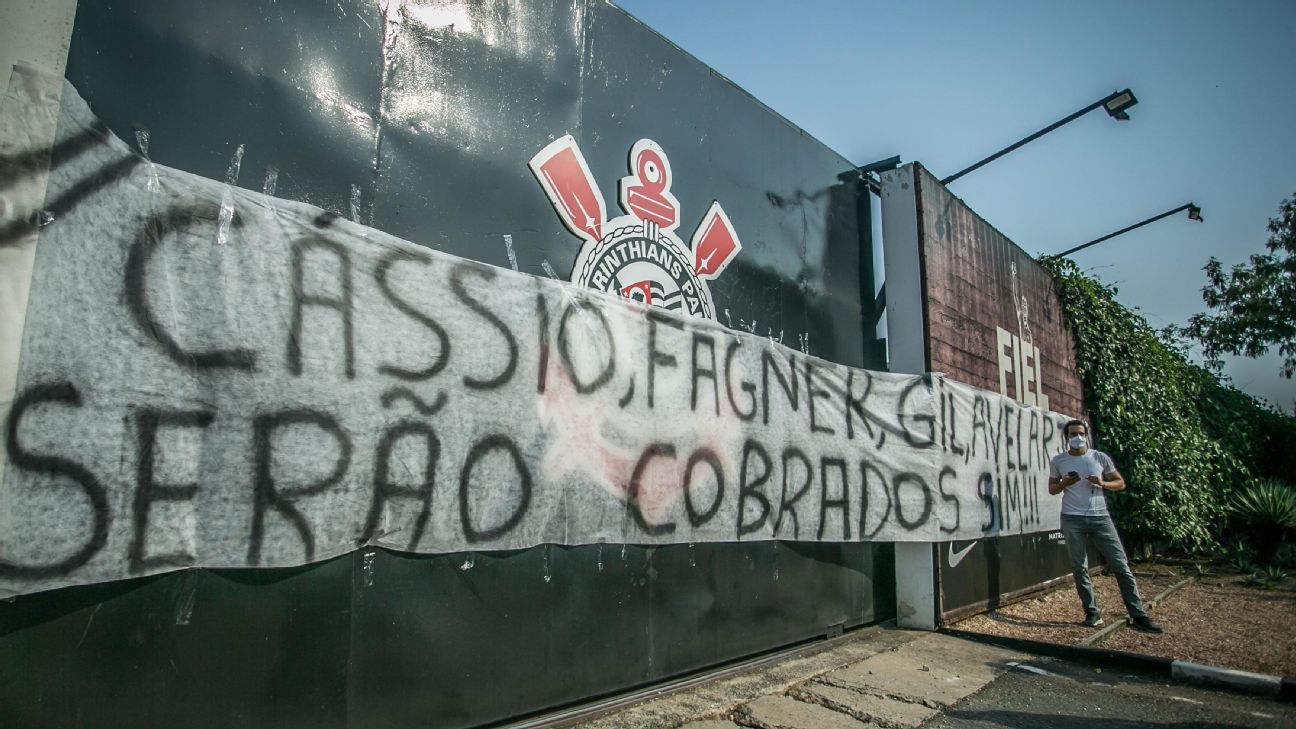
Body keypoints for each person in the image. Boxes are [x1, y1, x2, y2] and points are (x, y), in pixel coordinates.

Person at [1048, 420, 1163, 633]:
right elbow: (1052, 489)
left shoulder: (1099, 457)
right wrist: (1066, 483)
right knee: (1079, 567)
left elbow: (1120, 483)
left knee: (1120, 565)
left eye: (1080, 433)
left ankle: (1138, 614)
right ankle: (1092, 613)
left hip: (1100, 517)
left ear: (1086, 435)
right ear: (1067, 437)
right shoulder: (1059, 461)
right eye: (1073, 434)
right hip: (1072, 518)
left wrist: (1102, 483)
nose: (1077, 437)